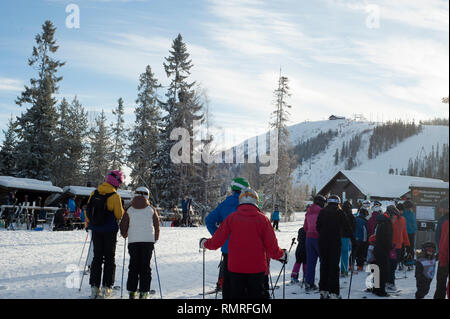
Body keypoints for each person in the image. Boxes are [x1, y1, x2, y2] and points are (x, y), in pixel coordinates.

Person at [200, 188, 287, 299]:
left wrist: (205, 243)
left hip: (235, 268)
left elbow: (216, 241)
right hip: (257, 269)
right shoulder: (263, 220)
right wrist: (282, 255)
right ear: (256, 201)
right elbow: (272, 247)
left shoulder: (231, 218)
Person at [205, 177, 249, 298]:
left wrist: (220, 237)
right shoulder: (247, 204)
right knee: (243, 286)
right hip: (245, 251)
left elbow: (209, 221)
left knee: (228, 285)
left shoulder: (225, 204)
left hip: (228, 250)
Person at [87, 170, 125, 299]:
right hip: (109, 231)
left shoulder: (94, 192)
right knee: (109, 258)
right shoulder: (115, 196)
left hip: (96, 230)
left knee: (97, 257)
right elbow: (119, 215)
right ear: (117, 182)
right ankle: (107, 287)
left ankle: (94, 287)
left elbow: (88, 210)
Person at [120, 186, 160, 299]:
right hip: (148, 242)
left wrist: (125, 234)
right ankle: (144, 292)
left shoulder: (129, 209)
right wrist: (155, 238)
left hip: (133, 241)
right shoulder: (151, 209)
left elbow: (124, 225)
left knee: (133, 266)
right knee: (145, 267)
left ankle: (132, 291)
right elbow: (157, 226)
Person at [316, 195, 353, 299]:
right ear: (338, 203)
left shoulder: (322, 211)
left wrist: (324, 234)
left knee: (324, 266)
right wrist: (353, 239)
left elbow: (317, 226)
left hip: (322, 242)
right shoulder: (339, 212)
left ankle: (323, 291)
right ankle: (334, 292)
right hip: (334, 242)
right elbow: (347, 227)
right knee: (334, 267)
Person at [372, 206, 396, 297]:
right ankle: (381, 291)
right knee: (383, 271)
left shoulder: (381, 222)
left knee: (378, 270)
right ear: (390, 215)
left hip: (378, 249)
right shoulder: (387, 223)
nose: (394, 219)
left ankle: (376, 288)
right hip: (383, 250)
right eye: (394, 216)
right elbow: (387, 239)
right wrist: (391, 246)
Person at [304, 194, 326, 292]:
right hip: (319, 238)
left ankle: (309, 283)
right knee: (323, 261)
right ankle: (323, 284)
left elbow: (305, 227)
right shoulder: (322, 212)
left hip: (309, 238)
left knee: (310, 262)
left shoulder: (308, 212)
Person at [387, 204, 410, 292]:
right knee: (393, 265)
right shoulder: (403, 219)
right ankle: (390, 281)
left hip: (391, 246)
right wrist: (407, 244)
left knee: (390, 265)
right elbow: (404, 233)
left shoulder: (391, 220)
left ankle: (390, 282)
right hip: (398, 246)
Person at [434, 198, 449, 299]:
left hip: (445, 257)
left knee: (441, 282)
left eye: (441, 208)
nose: (440, 210)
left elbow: (442, 241)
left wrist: (440, 255)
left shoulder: (444, 221)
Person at [341, 201, 356, 277]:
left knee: (340, 254)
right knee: (345, 254)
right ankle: (345, 271)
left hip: (338, 236)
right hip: (346, 236)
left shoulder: (340, 214)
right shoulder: (351, 216)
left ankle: (342, 270)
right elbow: (353, 227)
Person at [354, 208, 369, 272]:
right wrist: (365, 240)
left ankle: (350, 266)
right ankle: (360, 266)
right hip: (361, 239)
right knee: (361, 254)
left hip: (354, 239)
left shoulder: (355, 219)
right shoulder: (364, 221)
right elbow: (365, 231)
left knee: (354, 253)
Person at [403, 200, 417, 269]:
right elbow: (414, 224)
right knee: (410, 248)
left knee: (403, 247)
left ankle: (401, 262)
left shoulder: (402, 214)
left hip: (403, 233)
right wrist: (415, 229)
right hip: (411, 233)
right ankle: (410, 262)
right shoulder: (412, 214)